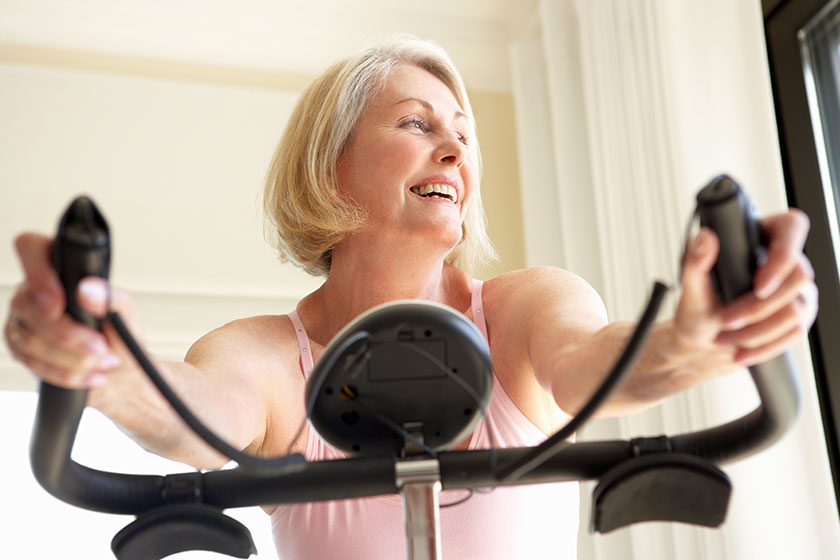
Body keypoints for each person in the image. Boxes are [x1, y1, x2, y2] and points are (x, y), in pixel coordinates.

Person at [3, 35, 818, 559]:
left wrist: (689, 337)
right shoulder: (273, 358)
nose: (454, 147)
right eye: (416, 123)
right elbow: (194, 411)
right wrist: (104, 368)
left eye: (463, 133)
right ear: (333, 167)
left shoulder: (523, 308)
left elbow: (590, 366)